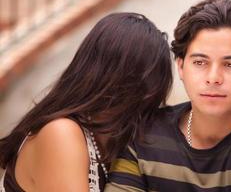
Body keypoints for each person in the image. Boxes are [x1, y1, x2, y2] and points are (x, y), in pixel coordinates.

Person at [105, 0, 231, 192]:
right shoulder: (142, 138)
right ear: (181, 67)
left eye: (230, 65)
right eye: (200, 62)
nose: (213, 78)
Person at [0, 12, 173, 192]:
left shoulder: (112, 140)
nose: (148, 106)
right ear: (117, 81)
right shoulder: (61, 133)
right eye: (145, 92)